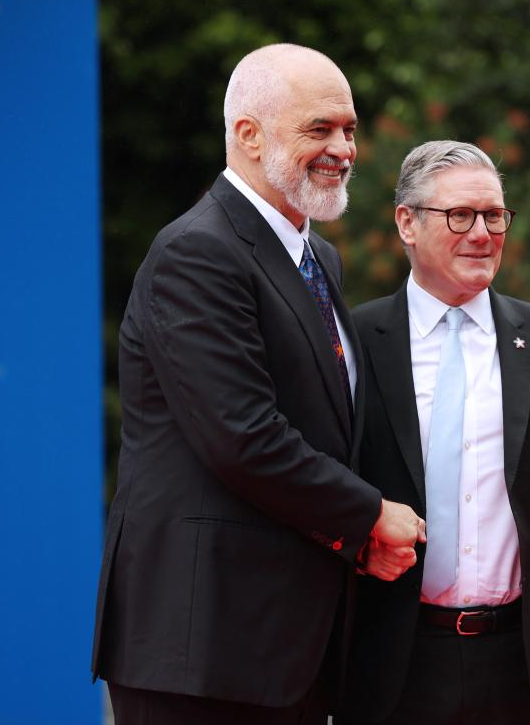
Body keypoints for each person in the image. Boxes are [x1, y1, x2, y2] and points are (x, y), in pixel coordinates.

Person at [90, 43, 425, 725]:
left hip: (283, 645)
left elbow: (324, 429)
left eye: (349, 129)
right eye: (319, 129)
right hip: (202, 649)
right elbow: (242, 437)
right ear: (248, 134)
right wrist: (367, 515)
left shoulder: (315, 255)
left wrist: (353, 537)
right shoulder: (196, 252)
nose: (343, 149)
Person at [337, 140, 530, 725]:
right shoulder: (354, 341)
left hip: (522, 657)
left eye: (493, 215)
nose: (482, 234)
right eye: (460, 215)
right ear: (407, 223)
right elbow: (320, 482)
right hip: (389, 656)